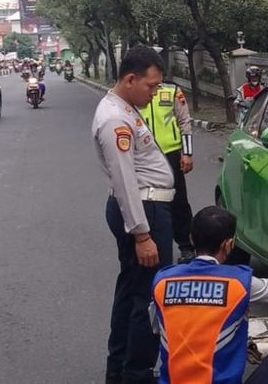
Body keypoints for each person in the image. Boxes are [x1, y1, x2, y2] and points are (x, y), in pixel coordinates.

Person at [151, 206, 268, 384]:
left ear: (191, 239)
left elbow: (156, 325)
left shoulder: (162, 281)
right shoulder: (239, 282)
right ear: (228, 244)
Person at [91, 45, 176, 384]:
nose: (155, 93)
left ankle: (121, 369)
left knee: (131, 291)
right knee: (149, 299)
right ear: (130, 79)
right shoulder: (115, 119)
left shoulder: (124, 107)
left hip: (146, 206)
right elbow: (125, 179)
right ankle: (137, 374)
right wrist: (142, 234)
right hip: (146, 210)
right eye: (151, 86)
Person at [138, 81, 196, 263]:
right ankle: (153, 244)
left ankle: (186, 245)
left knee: (178, 202)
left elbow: (184, 121)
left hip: (171, 155)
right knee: (148, 201)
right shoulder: (137, 91)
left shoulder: (172, 91)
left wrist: (186, 153)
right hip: (144, 156)